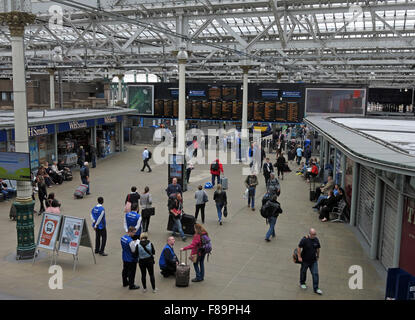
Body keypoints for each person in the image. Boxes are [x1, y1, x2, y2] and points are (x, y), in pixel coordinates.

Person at [297, 228, 323, 295]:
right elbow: (299, 247)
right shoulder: (304, 240)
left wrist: (318, 256)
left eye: (315, 234)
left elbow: (318, 248)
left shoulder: (316, 240)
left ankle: (316, 288)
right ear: (310, 234)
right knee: (303, 272)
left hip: (313, 261)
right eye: (313, 234)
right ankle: (302, 282)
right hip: (305, 260)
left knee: (315, 274)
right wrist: (299, 257)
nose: (314, 235)